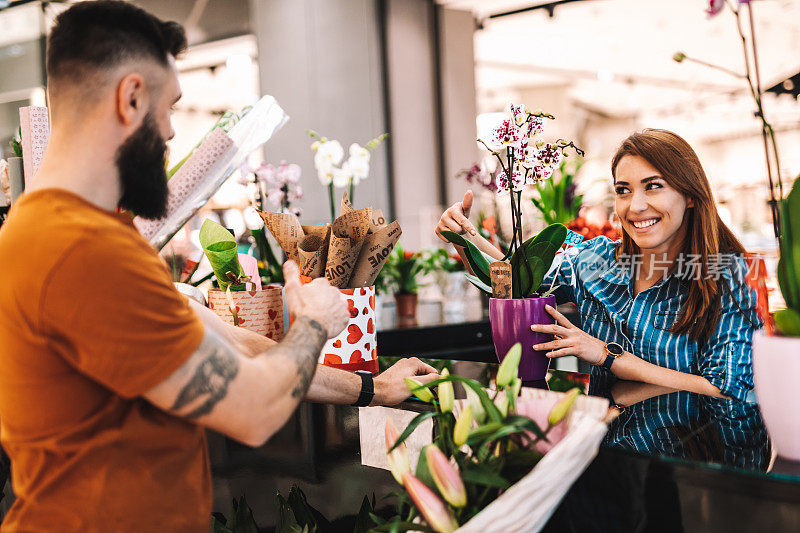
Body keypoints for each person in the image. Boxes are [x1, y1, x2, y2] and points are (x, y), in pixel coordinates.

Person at [0, 2, 437, 530]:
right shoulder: (81, 251)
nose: (169, 134)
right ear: (131, 96)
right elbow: (252, 410)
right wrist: (318, 323)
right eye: (169, 108)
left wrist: (373, 388)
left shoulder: (62, 230)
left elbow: (237, 346)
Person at [437, 128, 760, 401]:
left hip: (693, 461)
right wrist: (467, 238)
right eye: (623, 190)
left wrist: (607, 356)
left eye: (654, 186)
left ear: (690, 194)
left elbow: (727, 391)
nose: (636, 205)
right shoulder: (596, 262)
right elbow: (518, 281)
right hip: (604, 455)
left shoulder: (726, 275)